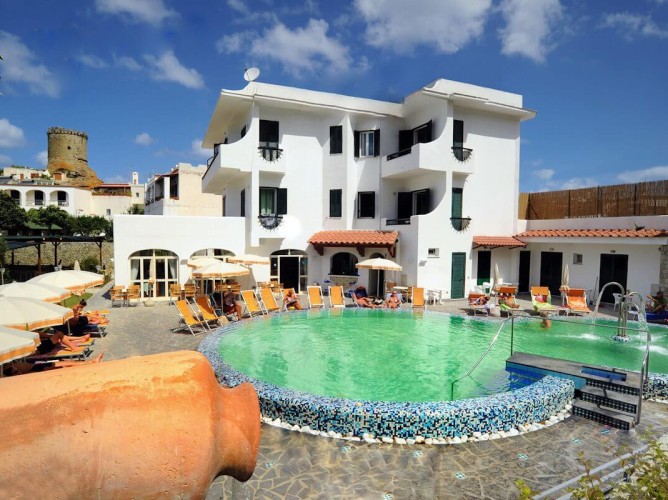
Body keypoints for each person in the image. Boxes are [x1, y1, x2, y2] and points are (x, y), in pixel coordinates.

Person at [3, 353, 105, 376]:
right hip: (34, 371)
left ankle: (91, 362)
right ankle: (91, 363)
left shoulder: (8, 365)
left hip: (34, 367)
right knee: (64, 366)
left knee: (64, 364)